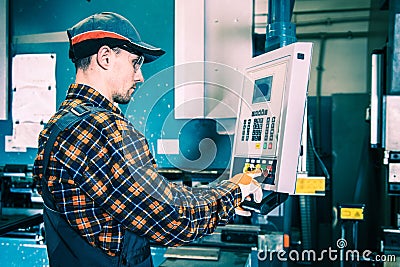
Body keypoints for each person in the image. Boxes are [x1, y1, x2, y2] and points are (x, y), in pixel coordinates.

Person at [33, 12, 262, 267]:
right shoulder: (104, 129)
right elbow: (173, 218)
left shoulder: (57, 124)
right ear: (105, 57)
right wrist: (236, 191)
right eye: (135, 62)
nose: (140, 76)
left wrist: (219, 199)